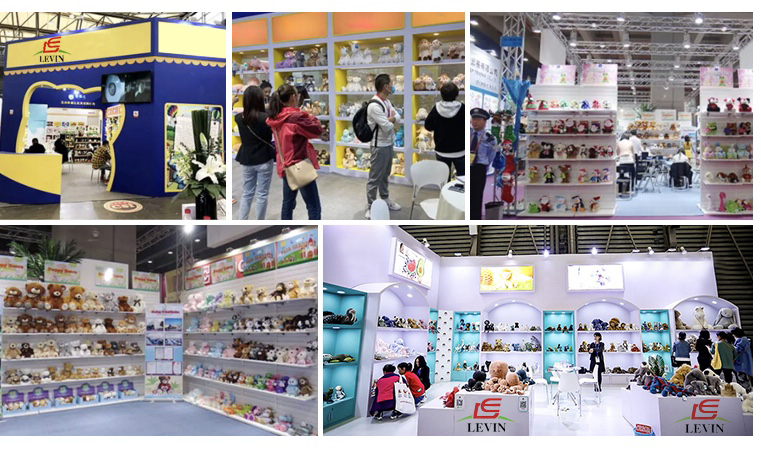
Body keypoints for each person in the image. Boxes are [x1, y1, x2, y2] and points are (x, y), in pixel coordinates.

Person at [266, 84, 323, 220]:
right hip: (299, 164)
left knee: (288, 204)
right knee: (313, 206)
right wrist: (311, 116)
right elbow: (317, 130)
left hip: (284, 164)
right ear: (293, 97)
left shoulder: (276, 116)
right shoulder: (296, 117)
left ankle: (285, 228)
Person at [365, 73, 403, 219]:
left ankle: (385, 199)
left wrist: (392, 118)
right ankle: (371, 206)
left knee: (385, 175)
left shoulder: (386, 102)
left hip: (388, 143)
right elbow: (387, 126)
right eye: (391, 84)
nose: (393, 86)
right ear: (386, 86)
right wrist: (394, 118)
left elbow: (397, 115)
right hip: (379, 145)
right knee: (375, 177)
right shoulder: (374, 105)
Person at [235, 86, 275, 220]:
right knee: (262, 194)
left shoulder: (239, 118)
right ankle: (259, 221)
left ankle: (241, 221)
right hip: (264, 158)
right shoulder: (266, 118)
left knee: (247, 194)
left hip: (247, 160)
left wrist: (232, 102)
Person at [424, 82, 465, 178]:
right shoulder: (463, 108)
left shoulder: (436, 108)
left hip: (441, 150)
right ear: (456, 94)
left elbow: (428, 126)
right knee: (462, 180)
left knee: (444, 179)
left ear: (441, 94)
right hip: (460, 151)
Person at [469, 108, 498, 220]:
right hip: (467, 166)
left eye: (478, 119)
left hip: (479, 168)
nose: (475, 122)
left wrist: (484, 164)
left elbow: (491, 154)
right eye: (473, 119)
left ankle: (475, 218)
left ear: (485, 121)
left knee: (477, 195)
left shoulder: (490, 138)